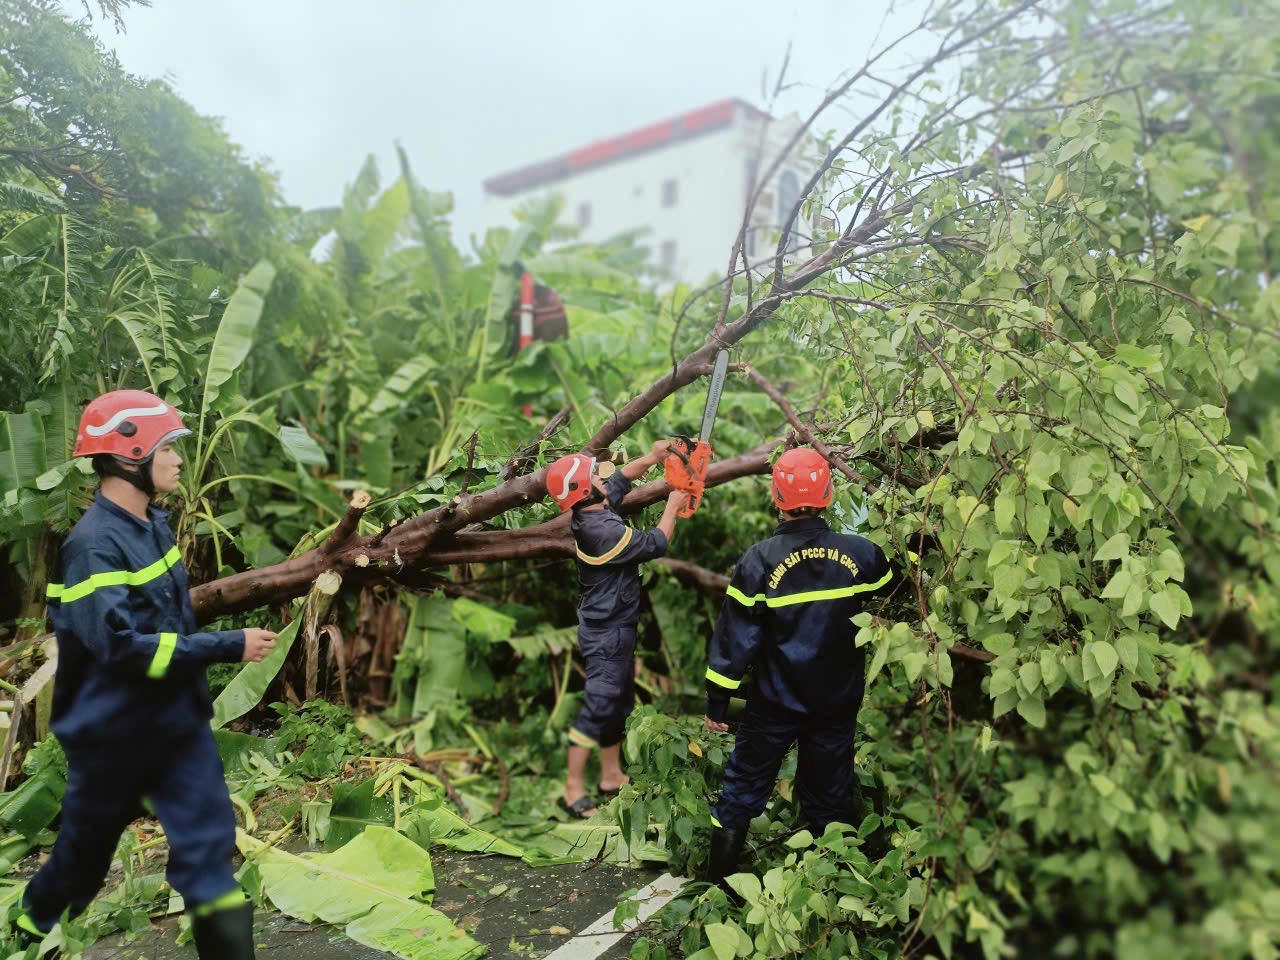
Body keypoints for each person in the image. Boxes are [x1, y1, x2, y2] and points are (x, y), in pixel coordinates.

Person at [9, 390, 278, 959]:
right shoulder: (91, 548)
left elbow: (167, 620)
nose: (178, 458)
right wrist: (227, 645)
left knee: (210, 860)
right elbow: (121, 648)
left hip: (176, 728)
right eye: (168, 447)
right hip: (114, 737)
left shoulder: (152, 525)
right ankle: (29, 931)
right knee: (82, 862)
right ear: (131, 455)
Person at [701, 447, 897, 883]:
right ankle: (828, 887)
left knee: (743, 788)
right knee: (829, 794)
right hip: (836, 701)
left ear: (777, 497)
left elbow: (737, 638)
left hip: (774, 701)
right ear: (829, 492)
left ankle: (714, 888)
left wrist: (718, 702)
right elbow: (895, 582)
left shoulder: (760, 560)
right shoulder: (861, 554)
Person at [546, 442, 688, 818]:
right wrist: (674, 502)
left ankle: (610, 776)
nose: (601, 477)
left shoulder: (595, 507)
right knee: (598, 706)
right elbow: (656, 542)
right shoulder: (600, 531)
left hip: (618, 626)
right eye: (593, 475)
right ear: (584, 491)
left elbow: (623, 478)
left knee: (618, 703)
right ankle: (572, 787)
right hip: (606, 632)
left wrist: (656, 457)